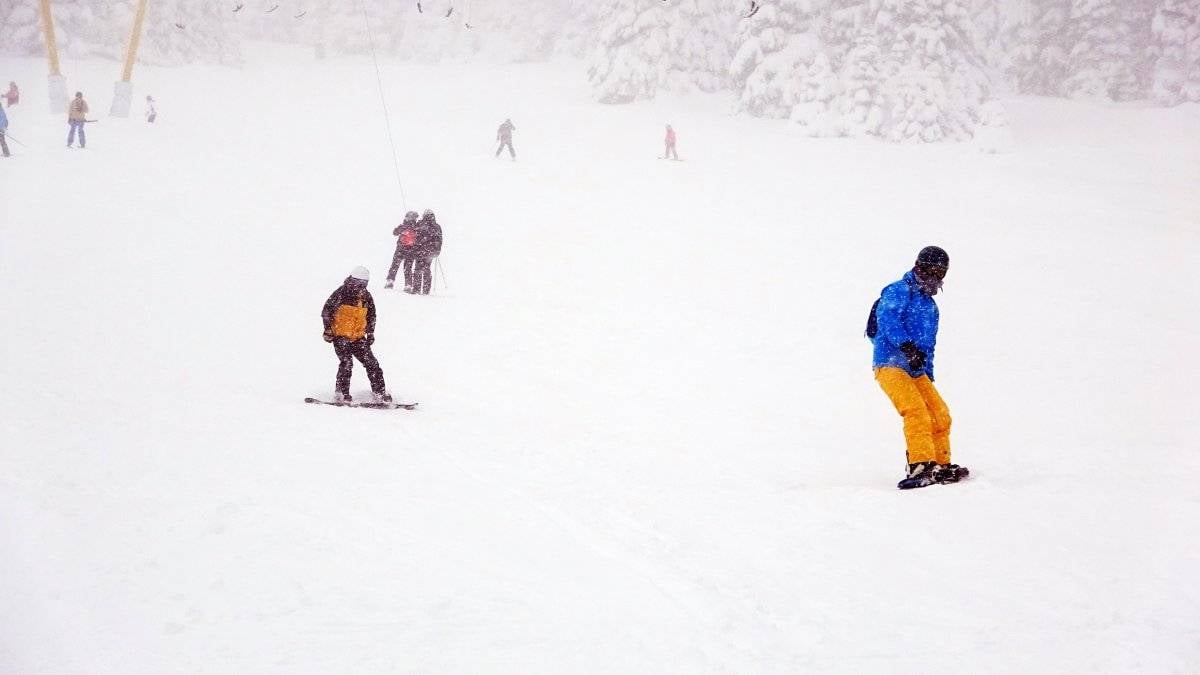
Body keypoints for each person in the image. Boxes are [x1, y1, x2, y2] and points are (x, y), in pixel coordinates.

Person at [867, 245, 968, 489]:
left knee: (939, 412)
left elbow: (929, 345)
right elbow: (888, 321)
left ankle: (940, 464)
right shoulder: (898, 291)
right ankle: (920, 464)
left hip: (916, 369)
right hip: (890, 364)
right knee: (916, 411)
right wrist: (907, 347)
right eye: (930, 269)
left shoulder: (931, 308)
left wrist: (927, 373)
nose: (934, 277)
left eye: (940, 272)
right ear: (918, 266)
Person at [321, 266, 391, 403]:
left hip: (358, 338)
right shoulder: (341, 294)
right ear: (351, 281)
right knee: (346, 363)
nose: (361, 287)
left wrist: (370, 333)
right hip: (341, 336)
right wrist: (328, 329)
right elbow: (326, 311)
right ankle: (341, 393)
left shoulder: (366, 297)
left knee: (372, 363)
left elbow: (371, 316)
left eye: (364, 284)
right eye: (358, 283)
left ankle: (380, 393)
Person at [385, 210, 420, 291]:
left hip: (400, 249)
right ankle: (408, 285)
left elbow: (394, 232)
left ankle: (390, 281)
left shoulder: (403, 225)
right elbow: (419, 239)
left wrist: (403, 227)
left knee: (395, 265)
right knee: (408, 267)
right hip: (411, 250)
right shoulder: (417, 227)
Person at [413, 210, 443, 295]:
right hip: (430, 251)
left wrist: (415, 247)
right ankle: (425, 290)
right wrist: (437, 251)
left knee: (418, 269)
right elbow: (439, 240)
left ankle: (416, 289)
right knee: (426, 269)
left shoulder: (421, 224)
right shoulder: (436, 226)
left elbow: (416, 236)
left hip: (421, 250)